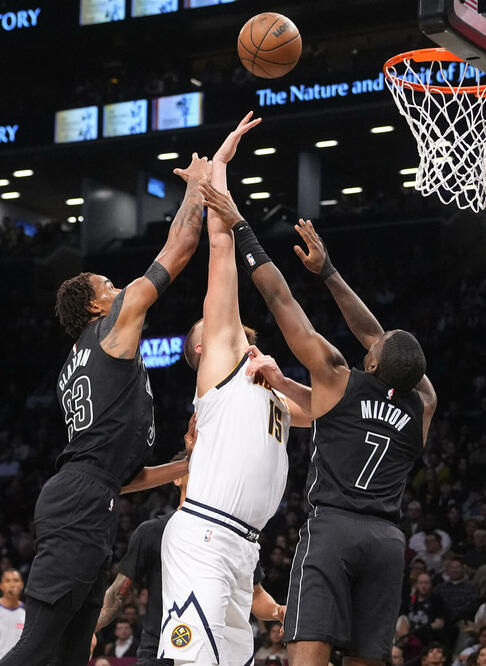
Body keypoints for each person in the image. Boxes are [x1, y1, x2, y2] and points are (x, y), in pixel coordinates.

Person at [0, 151, 210, 666]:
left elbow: (124, 478)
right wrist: (197, 188)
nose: (119, 289)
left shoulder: (86, 356)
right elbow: (179, 247)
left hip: (93, 495)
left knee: (72, 652)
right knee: (38, 645)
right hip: (79, 502)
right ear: (96, 306)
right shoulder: (111, 329)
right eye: (108, 287)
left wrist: (188, 464)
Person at [199, 191, 435, 663]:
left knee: (308, 653)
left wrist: (243, 227)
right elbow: (377, 339)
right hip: (388, 543)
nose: (374, 335)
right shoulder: (425, 401)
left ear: (373, 359)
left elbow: (278, 296)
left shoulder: (337, 375)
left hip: (335, 531)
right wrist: (328, 274)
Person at [158, 113, 306, 666]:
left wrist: (283, 379)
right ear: (201, 350)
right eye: (209, 329)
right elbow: (222, 253)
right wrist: (218, 171)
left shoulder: (266, 381)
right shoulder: (221, 357)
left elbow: (318, 413)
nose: (219, 325)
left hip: (243, 547)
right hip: (205, 537)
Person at [97, 435, 286, 665]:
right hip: (158, 651)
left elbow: (254, 594)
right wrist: (88, 630)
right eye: (197, 467)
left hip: (212, 649)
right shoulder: (153, 532)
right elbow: (118, 593)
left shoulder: (231, 532)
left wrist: (277, 611)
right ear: (175, 477)